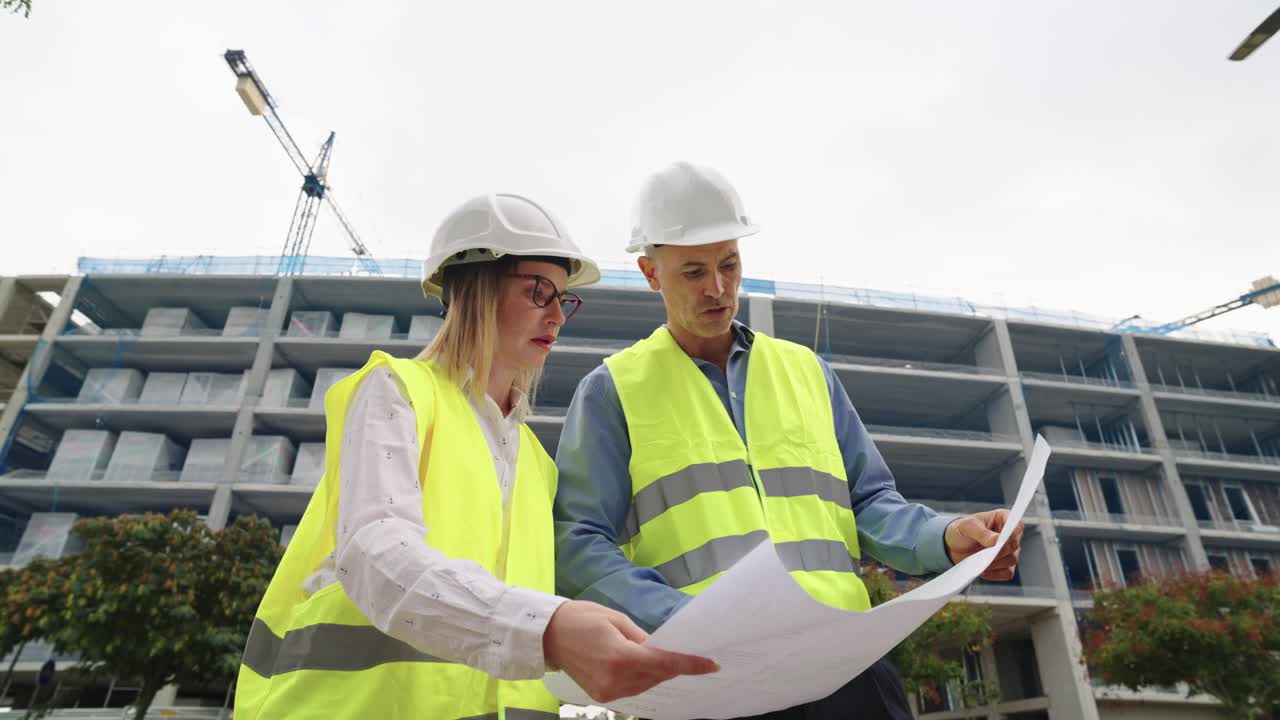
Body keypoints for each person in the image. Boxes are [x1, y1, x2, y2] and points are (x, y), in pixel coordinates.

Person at [553, 162, 1025, 718]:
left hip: (847, 669)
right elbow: (578, 541)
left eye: (729, 264)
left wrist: (947, 537)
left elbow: (870, 502)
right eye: (693, 272)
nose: (719, 288)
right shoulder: (612, 391)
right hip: (712, 678)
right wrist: (680, 619)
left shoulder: (806, 371)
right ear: (650, 273)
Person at [235, 193, 716, 720]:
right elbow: (377, 552)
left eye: (563, 299)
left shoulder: (538, 463)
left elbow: (552, 613)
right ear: (475, 290)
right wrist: (547, 630)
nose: (557, 314)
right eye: (539, 292)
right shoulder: (397, 392)